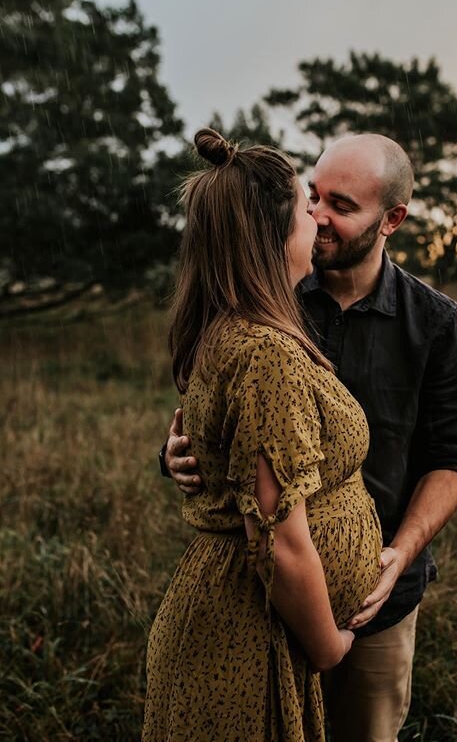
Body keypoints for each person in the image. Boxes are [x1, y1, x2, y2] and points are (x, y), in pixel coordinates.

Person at [165, 133, 457, 742]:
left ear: (393, 219)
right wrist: (177, 454)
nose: (319, 216)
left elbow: (450, 458)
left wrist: (399, 555)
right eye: (312, 196)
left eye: (342, 204)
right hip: (261, 606)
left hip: (375, 607)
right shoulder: (267, 302)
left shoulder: (436, 323)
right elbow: (226, 429)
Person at [143, 129, 383, 742]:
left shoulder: (235, 330)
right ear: (274, 234)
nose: (317, 220)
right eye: (307, 205)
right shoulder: (264, 354)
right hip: (245, 637)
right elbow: (277, 538)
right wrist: (330, 646)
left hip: (251, 624)